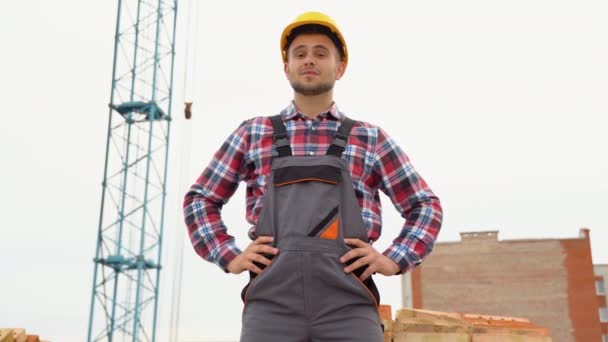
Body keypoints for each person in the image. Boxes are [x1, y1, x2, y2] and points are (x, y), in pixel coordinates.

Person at [183, 11, 443, 342]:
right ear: (287, 67)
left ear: (339, 67)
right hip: (271, 308)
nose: (309, 60)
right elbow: (200, 199)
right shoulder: (253, 133)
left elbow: (425, 205)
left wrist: (393, 259)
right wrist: (230, 255)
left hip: (349, 307)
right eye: (300, 53)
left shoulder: (369, 138)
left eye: (321, 53)